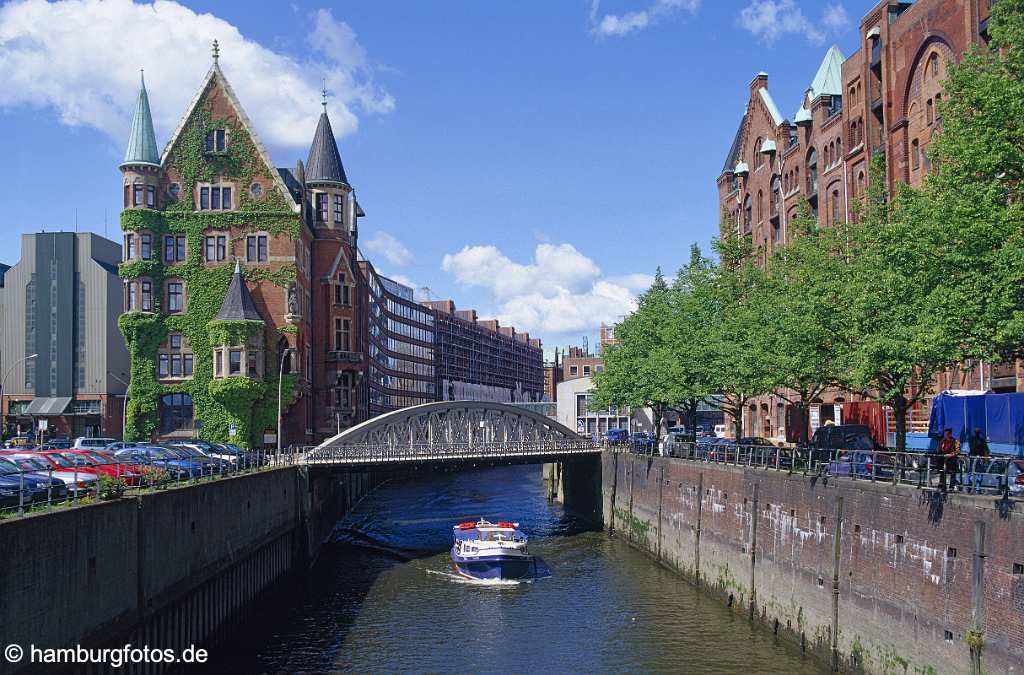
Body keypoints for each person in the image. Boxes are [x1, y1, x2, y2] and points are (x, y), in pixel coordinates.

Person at [967, 428, 991, 495]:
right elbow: (986, 450)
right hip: (977, 458)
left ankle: (972, 488)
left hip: (975, 458)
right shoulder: (981, 441)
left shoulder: (971, 440)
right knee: (976, 474)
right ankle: (976, 489)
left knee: (973, 473)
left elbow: (971, 449)